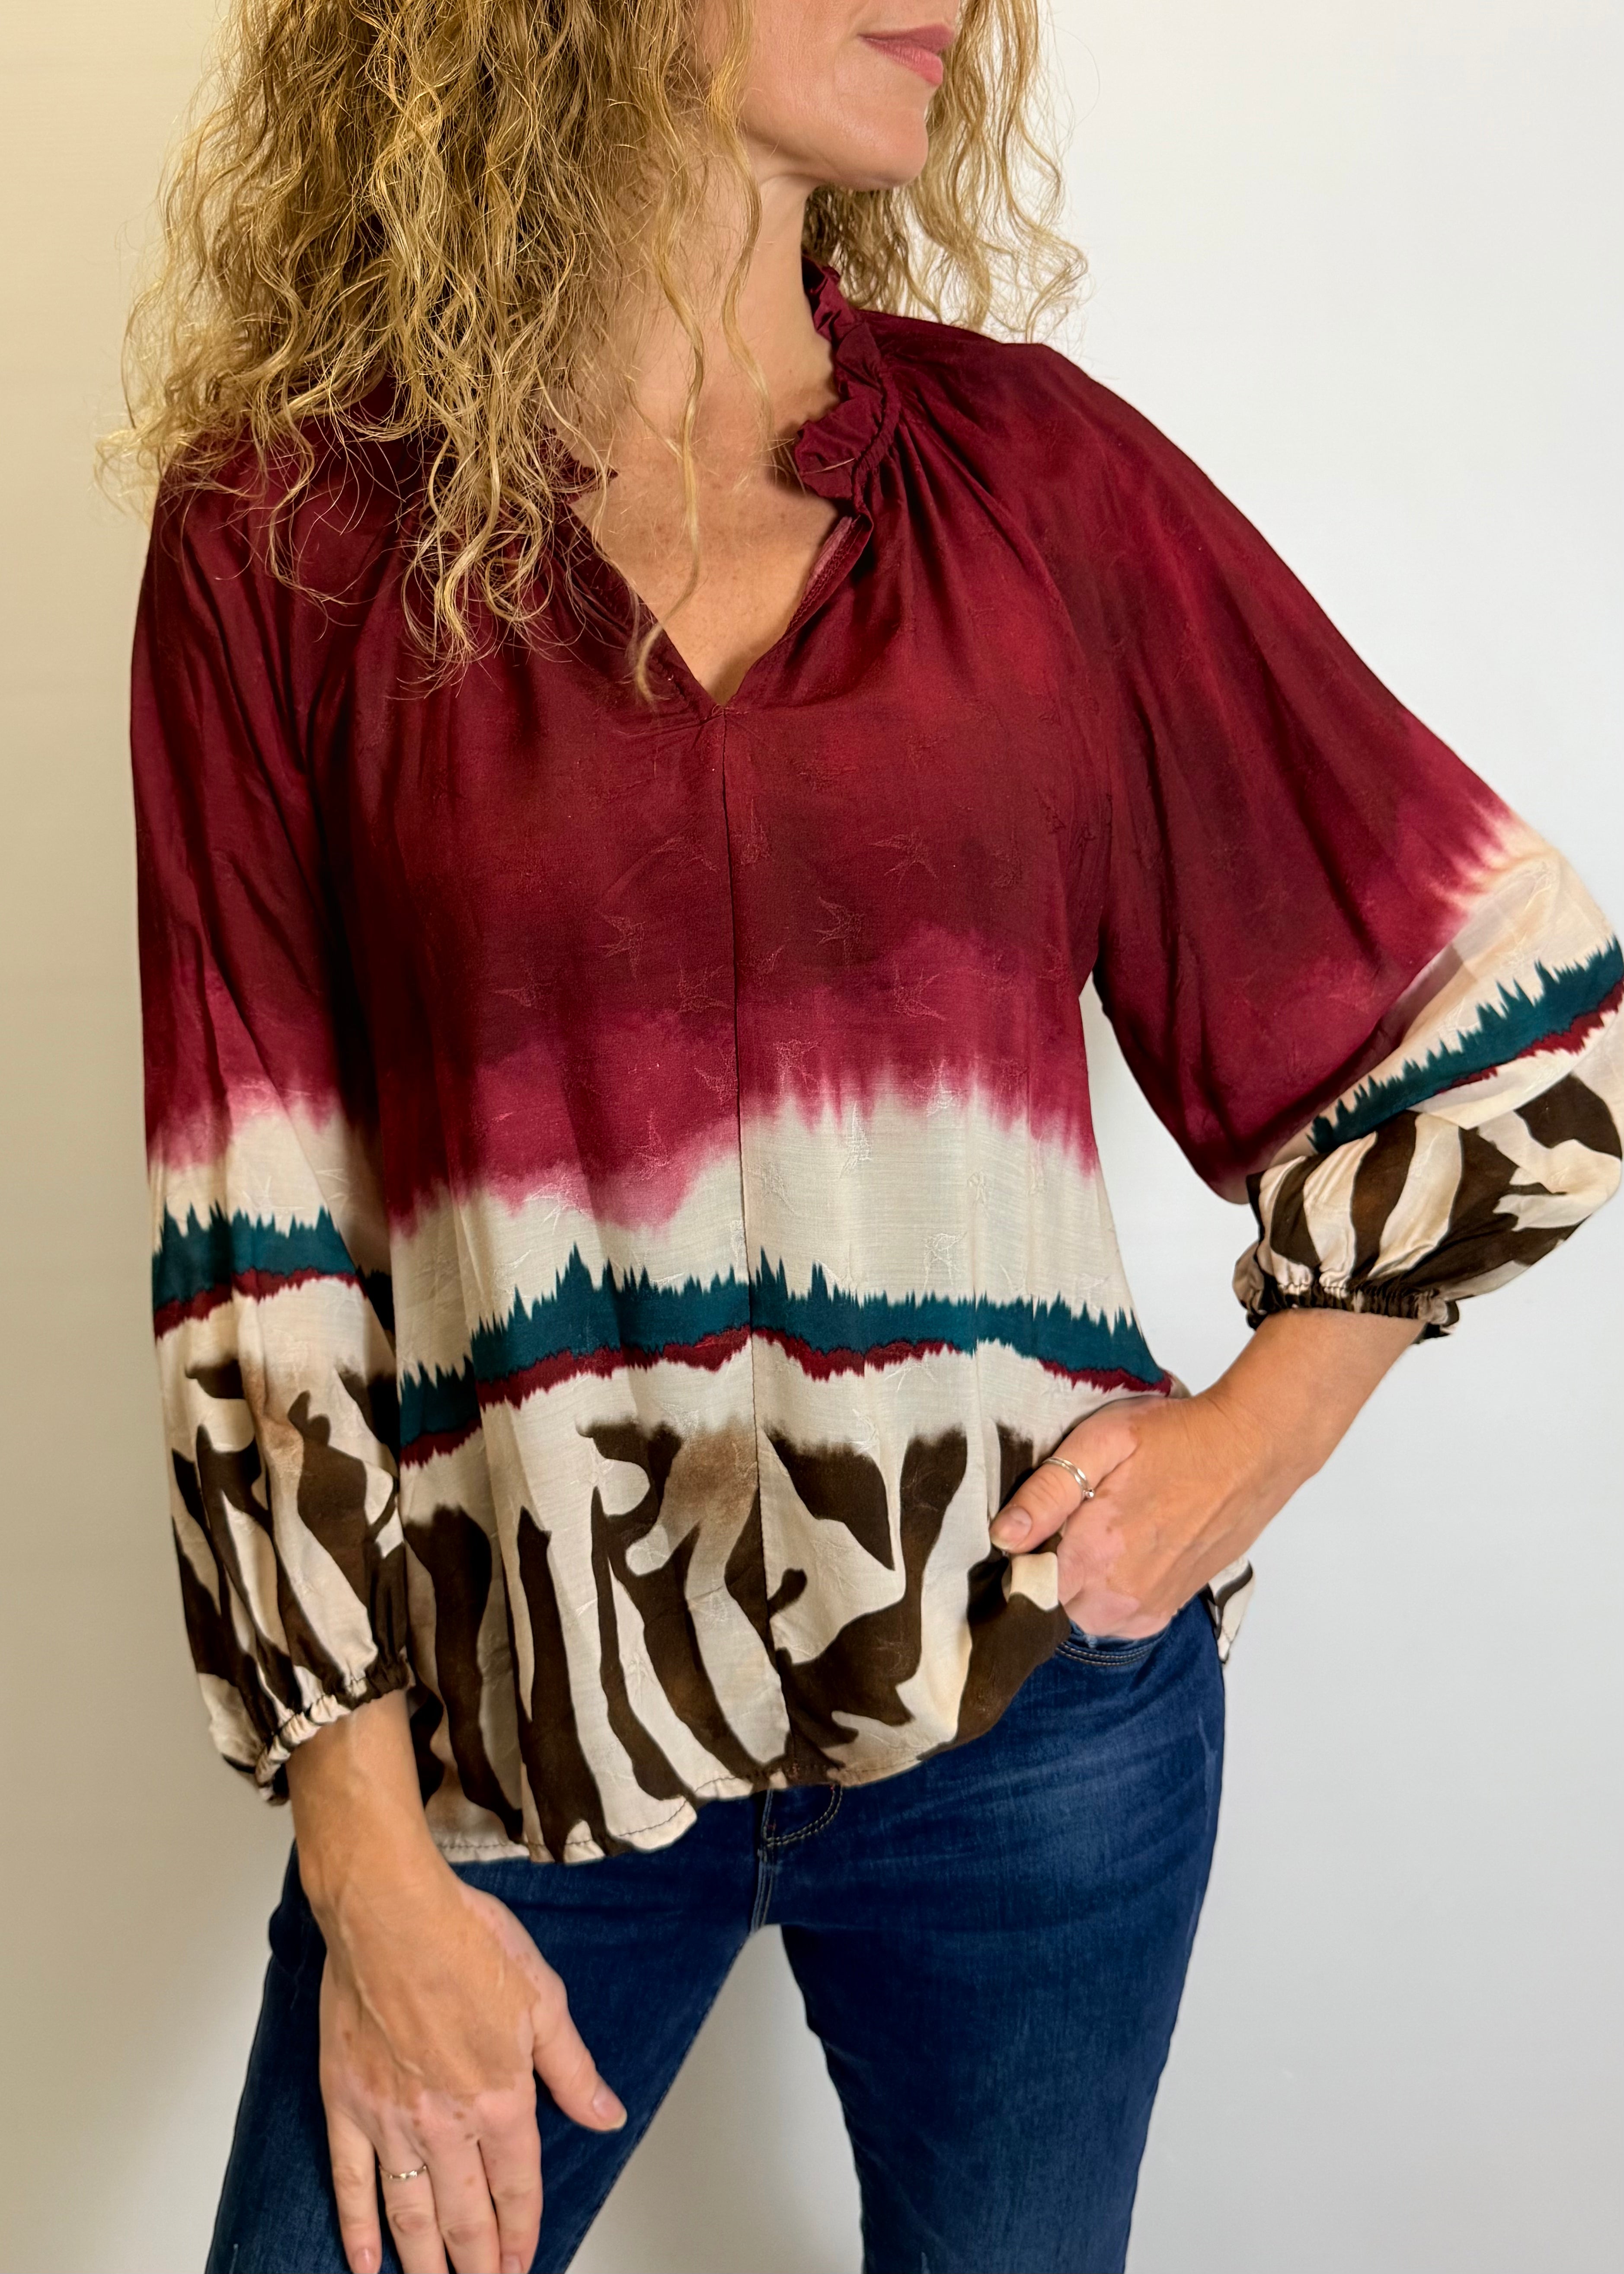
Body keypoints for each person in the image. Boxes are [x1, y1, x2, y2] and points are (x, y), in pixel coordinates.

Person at [120, 3, 1623, 2270]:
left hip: (1035, 1725)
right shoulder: (293, 540)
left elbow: (1514, 1005)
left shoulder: (1038, 490)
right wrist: (363, 1858)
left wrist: (1259, 1438)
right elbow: (254, 1255)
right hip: (508, 1758)